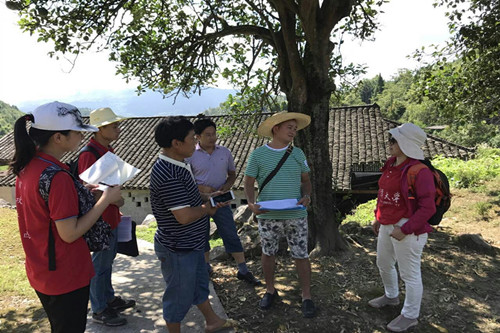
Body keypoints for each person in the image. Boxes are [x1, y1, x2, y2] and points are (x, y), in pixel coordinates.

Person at [11, 101, 122, 333]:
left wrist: (82, 193)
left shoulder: (28, 166)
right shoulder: (57, 176)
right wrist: (105, 199)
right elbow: (70, 233)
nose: (82, 137)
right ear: (58, 138)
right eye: (77, 132)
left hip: (41, 266)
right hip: (65, 273)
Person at [150, 116, 237, 333]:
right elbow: (184, 216)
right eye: (191, 139)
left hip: (192, 243)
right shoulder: (168, 173)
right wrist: (207, 209)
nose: (195, 143)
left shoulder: (180, 163)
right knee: (178, 296)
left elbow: (187, 197)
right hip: (178, 247)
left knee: (199, 284)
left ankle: (212, 320)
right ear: (176, 143)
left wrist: (207, 196)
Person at [243, 111, 316, 318]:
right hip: (267, 214)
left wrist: (307, 196)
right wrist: (251, 203)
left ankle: (306, 296)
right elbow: (248, 182)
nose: (293, 131)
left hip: (296, 213)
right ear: (276, 129)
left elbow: (306, 180)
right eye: (289, 127)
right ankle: (269, 290)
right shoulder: (257, 154)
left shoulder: (298, 153)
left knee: (301, 254)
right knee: (268, 253)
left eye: (295, 128)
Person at [369, 123, 436, 332]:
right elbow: (383, 195)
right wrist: (377, 217)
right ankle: (391, 296)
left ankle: (410, 315)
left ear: (406, 144)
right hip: (387, 224)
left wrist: (405, 229)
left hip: (407, 228)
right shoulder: (390, 165)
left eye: (394, 140)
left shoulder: (419, 171)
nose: (389, 144)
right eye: (390, 139)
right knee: (383, 263)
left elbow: (428, 207)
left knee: (410, 274)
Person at [77, 107, 135, 326]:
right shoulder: (89, 154)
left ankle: (108, 298)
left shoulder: (105, 150)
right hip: (99, 218)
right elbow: (89, 190)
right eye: (114, 126)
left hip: (109, 216)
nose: (118, 129)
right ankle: (99, 309)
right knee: (99, 265)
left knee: (107, 261)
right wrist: (115, 200)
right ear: (100, 129)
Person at [187, 117, 261, 285]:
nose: (212, 138)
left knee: (230, 232)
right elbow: (187, 180)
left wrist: (225, 188)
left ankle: (243, 269)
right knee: (202, 234)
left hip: (221, 200)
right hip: (200, 202)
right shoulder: (191, 155)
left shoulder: (224, 152)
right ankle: (206, 267)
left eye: (214, 134)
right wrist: (203, 190)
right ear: (197, 136)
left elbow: (232, 174)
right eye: (207, 135)